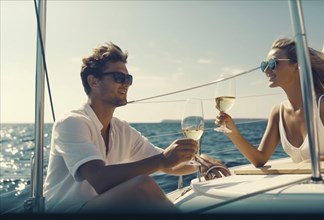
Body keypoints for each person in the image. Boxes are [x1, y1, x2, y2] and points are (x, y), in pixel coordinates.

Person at [43, 42, 230, 214]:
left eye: (128, 78)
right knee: (141, 186)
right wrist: (163, 160)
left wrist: (202, 162)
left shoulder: (122, 130)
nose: (126, 83)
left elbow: (170, 166)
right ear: (93, 81)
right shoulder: (71, 123)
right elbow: (99, 179)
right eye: (118, 77)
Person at [215, 38, 324, 167]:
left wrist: (320, 160)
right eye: (264, 65)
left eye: (273, 63)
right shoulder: (277, 112)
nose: (267, 70)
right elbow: (259, 159)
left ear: (296, 65)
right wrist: (233, 132)